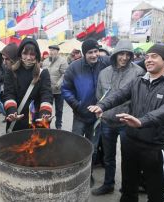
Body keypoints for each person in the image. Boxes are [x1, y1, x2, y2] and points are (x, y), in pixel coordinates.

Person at [88, 44, 164, 202]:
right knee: (128, 189)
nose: (148, 59)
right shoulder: (138, 81)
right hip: (131, 142)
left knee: (156, 192)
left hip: (155, 146)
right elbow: (119, 95)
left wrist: (141, 121)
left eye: (154, 56)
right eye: (147, 57)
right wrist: (101, 106)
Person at [92, 39, 145, 196]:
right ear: (115, 54)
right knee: (108, 157)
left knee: (128, 157)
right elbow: (99, 96)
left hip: (126, 122)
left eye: (128, 54)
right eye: (121, 54)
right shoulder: (104, 73)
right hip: (107, 122)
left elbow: (139, 98)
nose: (124, 58)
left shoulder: (138, 72)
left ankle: (128, 188)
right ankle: (108, 184)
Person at [61, 38, 110, 186]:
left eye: (96, 51)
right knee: (75, 146)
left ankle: (88, 175)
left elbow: (123, 62)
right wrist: (77, 105)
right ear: (84, 54)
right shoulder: (74, 67)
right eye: (90, 52)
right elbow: (66, 89)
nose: (94, 55)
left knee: (93, 148)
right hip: (80, 115)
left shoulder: (105, 63)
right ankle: (75, 174)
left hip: (97, 117)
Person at [3, 37, 53, 132]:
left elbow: (46, 95)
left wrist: (45, 114)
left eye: (32, 54)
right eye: (25, 53)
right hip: (16, 121)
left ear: (37, 55)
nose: (28, 57)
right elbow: (9, 93)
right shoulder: (11, 71)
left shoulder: (43, 73)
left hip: (37, 122)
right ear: (20, 54)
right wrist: (12, 112)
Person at [42, 45, 68, 129]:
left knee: (59, 110)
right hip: (48, 90)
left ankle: (58, 126)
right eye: (50, 50)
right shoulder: (45, 61)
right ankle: (47, 125)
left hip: (59, 90)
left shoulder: (62, 61)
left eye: (53, 50)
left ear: (57, 51)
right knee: (47, 109)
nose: (51, 52)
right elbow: (42, 74)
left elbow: (65, 74)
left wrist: (59, 84)